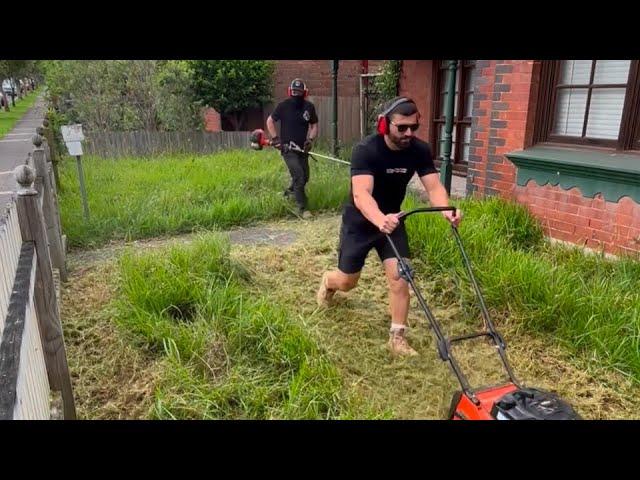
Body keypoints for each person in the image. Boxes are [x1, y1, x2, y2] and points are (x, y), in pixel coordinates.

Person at [316, 96, 463, 356]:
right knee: (348, 282)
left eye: (413, 128)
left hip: (394, 222)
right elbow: (361, 195)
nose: (408, 133)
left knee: (400, 277)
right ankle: (328, 282)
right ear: (385, 125)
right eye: (402, 128)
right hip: (361, 223)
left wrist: (446, 210)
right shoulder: (366, 150)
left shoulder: (419, 150)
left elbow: (434, 186)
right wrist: (378, 218)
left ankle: (397, 338)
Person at [266, 78, 319, 219]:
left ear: (305, 93)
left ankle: (289, 192)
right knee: (299, 176)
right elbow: (270, 121)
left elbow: (314, 126)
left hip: (303, 149)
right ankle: (303, 208)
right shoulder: (283, 106)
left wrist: (310, 140)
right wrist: (276, 139)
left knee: (305, 177)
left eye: (299, 92)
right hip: (287, 149)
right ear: (290, 92)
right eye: (294, 91)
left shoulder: (309, 107)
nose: (296, 94)